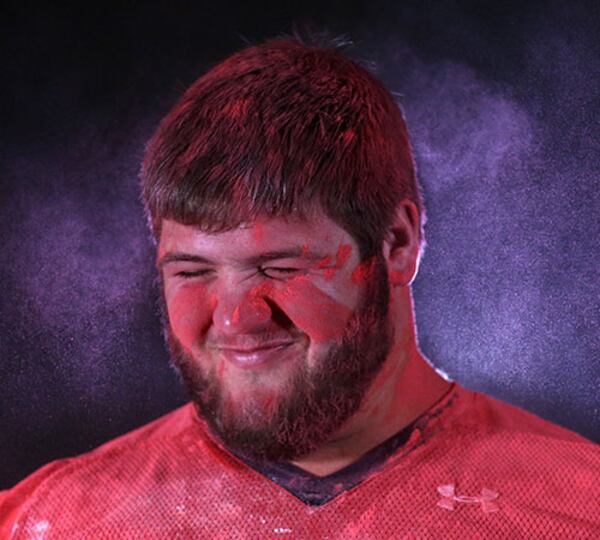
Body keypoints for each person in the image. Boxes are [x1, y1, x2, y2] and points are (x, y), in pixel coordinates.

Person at [1, 35, 598, 539]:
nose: (235, 320)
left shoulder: (576, 508)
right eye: (192, 271)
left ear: (397, 241)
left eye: (280, 268)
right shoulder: (50, 521)